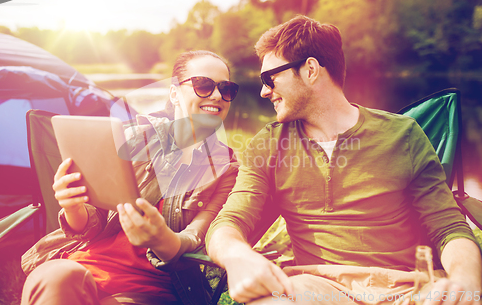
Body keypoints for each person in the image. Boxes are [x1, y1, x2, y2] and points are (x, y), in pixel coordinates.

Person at [205, 16, 482, 305]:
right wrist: (237, 255)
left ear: (310, 69)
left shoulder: (404, 134)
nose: (264, 90)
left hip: (409, 290)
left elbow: (448, 227)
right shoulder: (268, 144)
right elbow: (228, 223)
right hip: (317, 290)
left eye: (269, 78)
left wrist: (465, 279)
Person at [21, 50, 240, 305]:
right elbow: (93, 221)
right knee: (58, 279)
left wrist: (160, 237)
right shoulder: (135, 140)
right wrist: (73, 206)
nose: (216, 95)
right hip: (85, 265)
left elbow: (194, 237)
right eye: (203, 84)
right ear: (173, 93)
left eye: (226, 89)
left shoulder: (226, 168)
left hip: (149, 287)